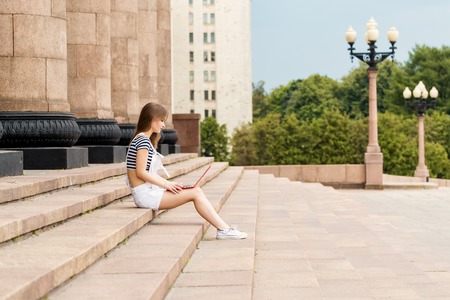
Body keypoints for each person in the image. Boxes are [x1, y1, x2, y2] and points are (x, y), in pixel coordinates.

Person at [125, 102, 247, 240]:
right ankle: (224, 229)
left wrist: (170, 184)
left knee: (195, 190)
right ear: (151, 118)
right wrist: (166, 184)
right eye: (161, 120)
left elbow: (145, 174)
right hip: (145, 196)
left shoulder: (142, 139)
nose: (163, 125)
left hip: (148, 192)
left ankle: (224, 228)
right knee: (195, 193)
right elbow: (141, 173)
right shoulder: (142, 141)